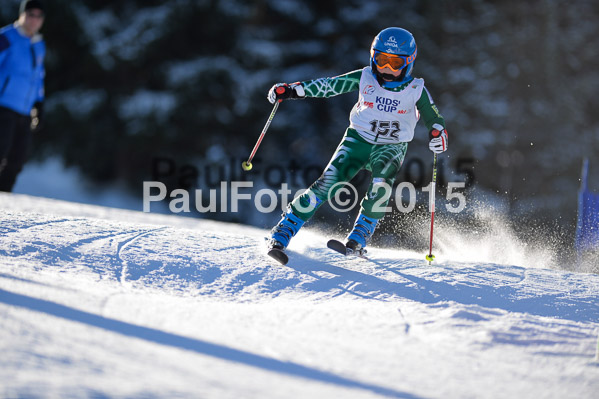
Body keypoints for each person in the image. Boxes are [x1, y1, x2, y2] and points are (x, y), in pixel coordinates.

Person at [266, 27, 448, 255]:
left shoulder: (415, 89)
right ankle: (284, 230)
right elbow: (328, 86)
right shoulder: (365, 77)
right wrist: (292, 91)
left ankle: (359, 236)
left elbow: (434, 117)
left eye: (395, 63)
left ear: (409, 62)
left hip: (391, 146)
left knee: (380, 189)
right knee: (326, 185)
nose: (387, 69)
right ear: (373, 57)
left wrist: (438, 133)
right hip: (357, 141)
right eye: (381, 60)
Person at [0, 0, 46, 192]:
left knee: (17, 160)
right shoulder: (6, 37)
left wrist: (39, 103)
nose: (34, 20)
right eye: (30, 14)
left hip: (25, 110)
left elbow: (38, 77)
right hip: (3, 106)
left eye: (38, 16)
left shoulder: (38, 44)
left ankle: (4, 200)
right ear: (22, 15)